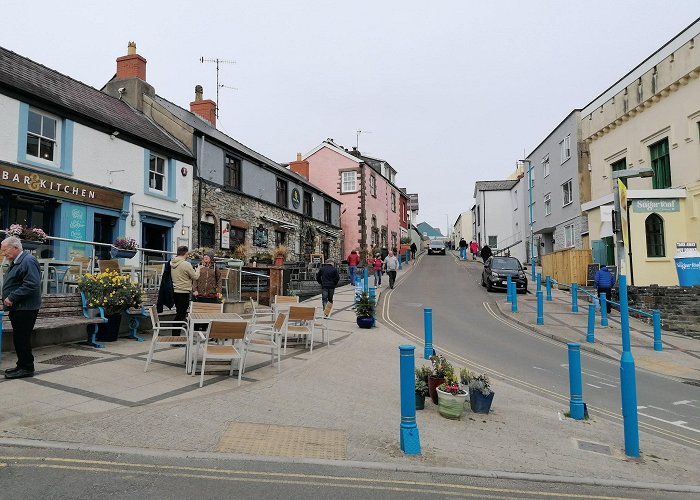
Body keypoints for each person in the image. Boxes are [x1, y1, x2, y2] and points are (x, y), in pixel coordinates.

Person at [2, 236, 41, 380]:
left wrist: (12, 297)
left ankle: (27, 368)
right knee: (19, 338)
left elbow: (32, 284)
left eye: (5, 250)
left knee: (22, 338)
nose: (4, 254)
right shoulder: (18, 261)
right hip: (19, 308)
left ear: (16, 247)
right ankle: (21, 364)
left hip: (25, 308)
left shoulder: (28, 261)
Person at [170, 246, 200, 323]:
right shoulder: (186, 264)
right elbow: (195, 277)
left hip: (175, 291)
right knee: (181, 315)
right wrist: (198, 269)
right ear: (186, 253)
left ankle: (177, 333)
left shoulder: (172, 262)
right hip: (184, 292)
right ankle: (176, 334)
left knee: (179, 313)